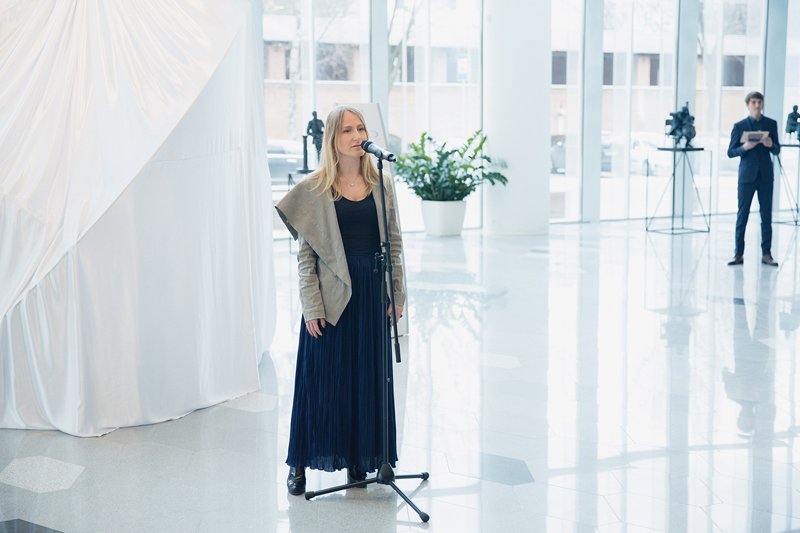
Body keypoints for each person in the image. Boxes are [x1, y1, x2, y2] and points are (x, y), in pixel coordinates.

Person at [275, 106, 405, 496]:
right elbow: (305, 257)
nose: (356, 136)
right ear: (333, 138)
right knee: (320, 383)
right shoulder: (315, 189)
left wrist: (397, 293)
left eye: (361, 128)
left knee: (366, 380)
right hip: (331, 294)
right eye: (347, 130)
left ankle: (359, 460)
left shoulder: (381, 182)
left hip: (371, 290)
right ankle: (299, 463)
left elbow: (395, 243)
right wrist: (311, 306)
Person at [727, 91, 780, 267]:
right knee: (742, 216)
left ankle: (767, 254)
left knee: (766, 216)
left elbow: (777, 150)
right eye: (754, 102)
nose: (757, 105)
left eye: (759, 102)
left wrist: (771, 144)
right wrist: (744, 147)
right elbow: (730, 152)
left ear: (762, 104)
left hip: (765, 176)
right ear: (748, 105)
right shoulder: (739, 126)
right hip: (746, 177)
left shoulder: (771, 124)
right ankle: (738, 254)